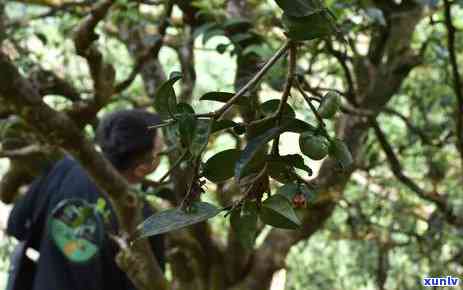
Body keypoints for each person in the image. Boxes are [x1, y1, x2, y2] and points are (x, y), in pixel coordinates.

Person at [6, 109, 165, 290]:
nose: (165, 151)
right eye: (162, 150)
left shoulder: (65, 169)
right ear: (142, 169)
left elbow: (17, 225)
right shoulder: (149, 221)